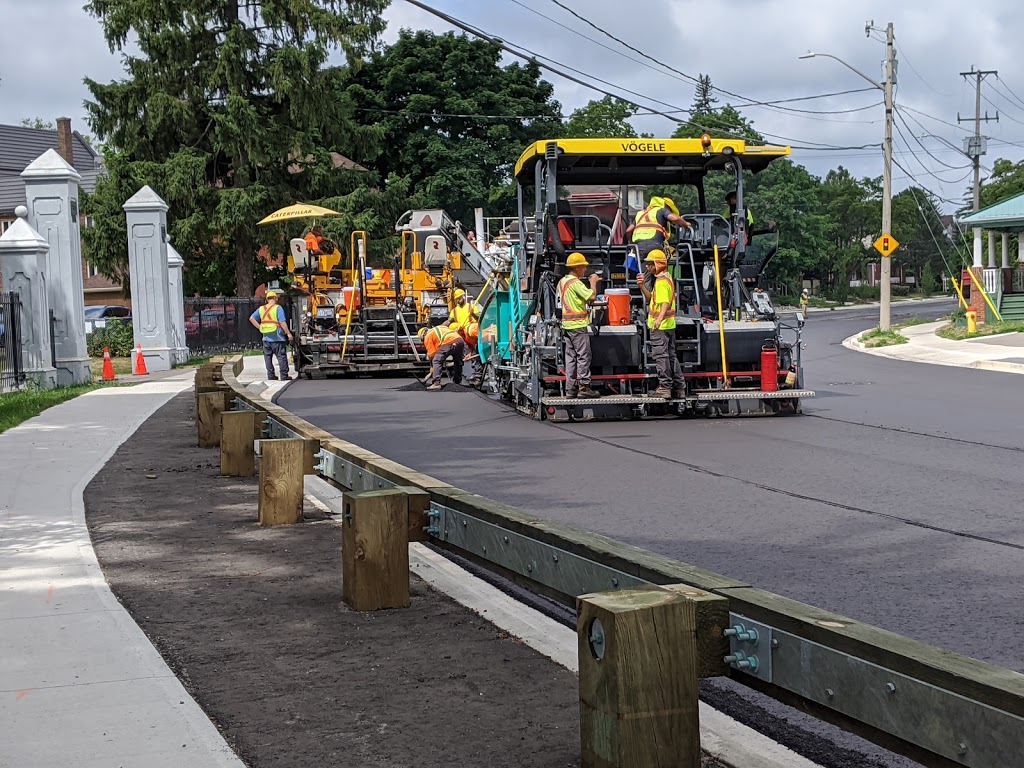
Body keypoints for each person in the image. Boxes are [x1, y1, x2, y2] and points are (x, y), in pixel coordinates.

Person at [558, 252, 601, 398]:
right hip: (577, 325)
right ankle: (584, 387)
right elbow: (592, 297)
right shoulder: (575, 283)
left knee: (570, 357)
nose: (585, 270)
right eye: (583, 267)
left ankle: (570, 388)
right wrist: (593, 282)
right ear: (577, 268)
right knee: (583, 356)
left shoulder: (563, 281)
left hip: (567, 325)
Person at [643, 250, 685, 399]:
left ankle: (665, 387)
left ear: (658, 264)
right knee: (671, 356)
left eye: (650, 264)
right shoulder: (665, 278)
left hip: (659, 326)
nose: (648, 267)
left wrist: (659, 319)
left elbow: (665, 303)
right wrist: (642, 286)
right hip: (668, 324)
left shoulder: (661, 281)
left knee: (661, 356)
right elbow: (652, 299)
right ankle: (679, 387)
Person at [625, 196, 694, 265]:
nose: (670, 212)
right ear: (666, 206)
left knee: (644, 270)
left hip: (639, 247)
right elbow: (675, 218)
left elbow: (628, 230)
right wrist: (685, 224)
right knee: (659, 269)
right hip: (655, 245)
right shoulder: (662, 210)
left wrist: (631, 244)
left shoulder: (640, 213)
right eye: (670, 210)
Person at [249, 290, 293, 381]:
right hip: (277, 337)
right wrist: (288, 333)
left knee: (268, 358)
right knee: (281, 356)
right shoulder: (278, 308)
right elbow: (282, 322)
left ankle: (271, 375)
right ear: (276, 298)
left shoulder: (261, 309)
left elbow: (251, 318)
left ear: (267, 299)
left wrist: (260, 327)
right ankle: (284, 375)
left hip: (265, 338)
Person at [419, 323, 465, 391]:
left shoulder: (428, 336)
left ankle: (436, 383)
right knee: (458, 361)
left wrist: (432, 366)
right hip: (459, 340)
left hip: (449, 341)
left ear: (423, 335)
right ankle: (457, 381)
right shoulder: (439, 328)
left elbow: (432, 355)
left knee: (436, 361)